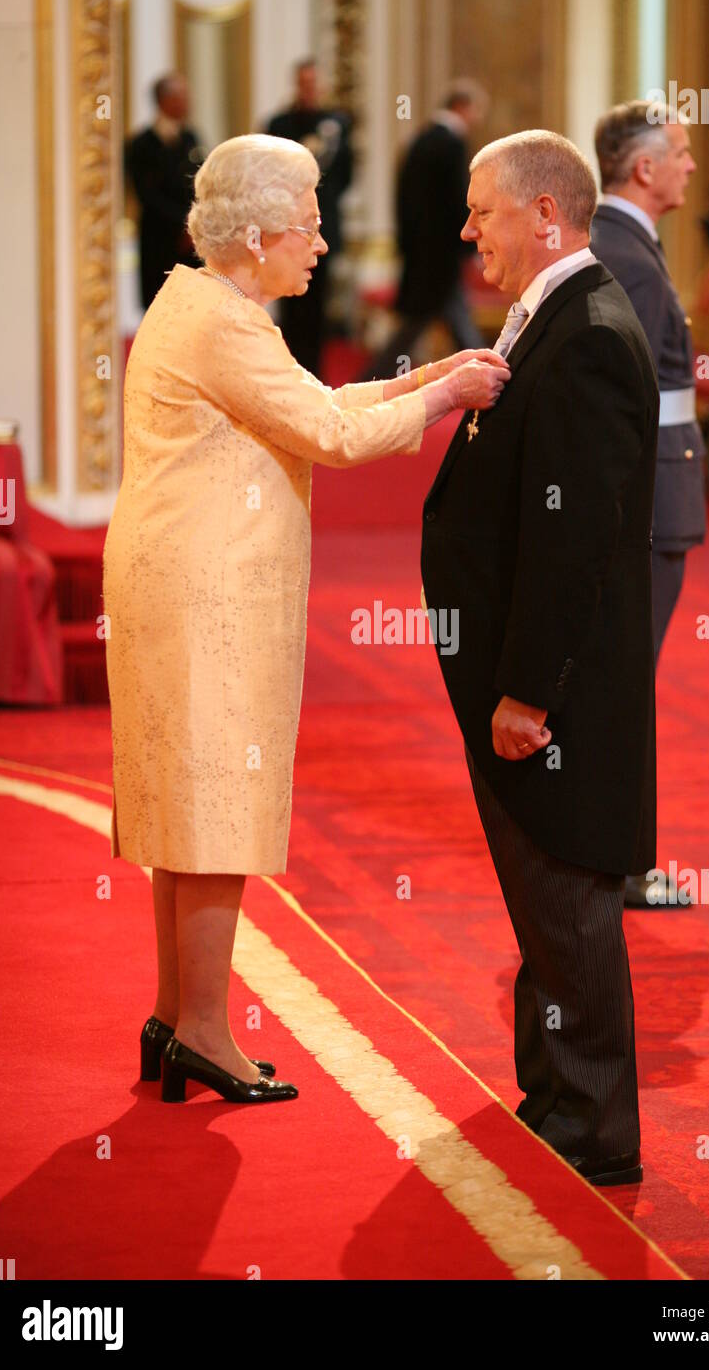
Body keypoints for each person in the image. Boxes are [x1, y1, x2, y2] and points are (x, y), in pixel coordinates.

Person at [102, 133, 509, 1107]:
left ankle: (175, 1014)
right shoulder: (228, 324)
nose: (323, 242)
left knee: (184, 804)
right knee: (213, 811)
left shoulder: (205, 302)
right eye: (310, 222)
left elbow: (309, 404)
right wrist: (450, 393)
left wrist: (419, 380)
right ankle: (203, 1025)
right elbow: (329, 433)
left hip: (177, 582)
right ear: (253, 235)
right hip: (206, 595)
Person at [421, 130, 659, 1186]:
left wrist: (523, 691)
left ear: (544, 214)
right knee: (541, 897)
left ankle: (595, 1127)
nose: (466, 228)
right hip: (521, 684)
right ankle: (551, 1094)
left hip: (553, 698)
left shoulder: (592, 333)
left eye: (481, 209)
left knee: (566, 899)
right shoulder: (550, 317)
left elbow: (576, 548)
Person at [590, 100, 707, 910]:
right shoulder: (625, 254)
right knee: (625, 685)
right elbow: (619, 395)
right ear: (644, 168)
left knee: (625, 681)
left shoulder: (628, 243)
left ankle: (619, 857)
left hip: (662, 487)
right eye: (682, 153)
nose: (691, 166)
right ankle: (622, 862)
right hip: (650, 499)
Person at [367, 79, 489, 381]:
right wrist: (471, 244)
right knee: (425, 322)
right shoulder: (453, 143)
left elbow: (405, 201)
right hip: (442, 255)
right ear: (461, 107)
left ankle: (487, 370)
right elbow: (459, 200)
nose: (476, 120)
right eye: (475, 112)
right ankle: (489, 373)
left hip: (421, 253)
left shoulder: (418, 140)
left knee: (436, 319)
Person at [265, 60, 353, 376]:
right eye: (304, 82)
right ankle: (287, 370)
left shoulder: (338, 123)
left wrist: (314, 211)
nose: (309, 89)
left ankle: (314, 374)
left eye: (314, 82)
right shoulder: (279, 123)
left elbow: (345, 176)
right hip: (286, 228)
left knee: (317, 305)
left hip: (322, 224)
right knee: (289, 301)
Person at [124, 73, 205, 309]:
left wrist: (195, 225)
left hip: (190, 242)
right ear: (164, 100)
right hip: (159, 241)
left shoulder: (191, 137)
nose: (188, 102)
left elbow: (200, 183)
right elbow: (147, 196)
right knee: (160, 306)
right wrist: (182, 223)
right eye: (181, 96)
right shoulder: (141, 145)